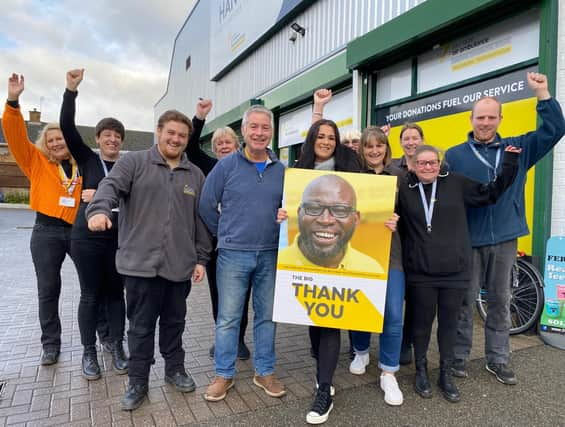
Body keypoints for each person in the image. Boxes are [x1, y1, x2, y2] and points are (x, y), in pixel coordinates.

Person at [86, 109, 212, 411]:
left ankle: (175, 370)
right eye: (171, 133)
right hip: (140, 265)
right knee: (140, 327)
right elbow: (109, 187)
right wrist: (99, 210)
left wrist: (201, 258)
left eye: (182, 136)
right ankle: (138, 381)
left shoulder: (194, 174)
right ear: (159, 132)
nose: (176, 139)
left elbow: (202, 221)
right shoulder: (134, 163)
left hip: (179, 265)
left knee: (174, 323)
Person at [446, 72, 565, 385]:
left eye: (490, 117)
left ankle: (498, 359)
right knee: (464, 300)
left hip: (505, 238)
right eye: (480, 117)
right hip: (469, 240)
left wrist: (543, 94)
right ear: (471, 120)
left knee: (501, 300)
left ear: (500, 119)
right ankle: (458, 355)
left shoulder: (518, 148)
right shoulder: (454, 155)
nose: (485, 123)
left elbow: (555, 129)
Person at [397, 144, 521, 403]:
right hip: (421, 271)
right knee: (421, 324)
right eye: (423, 163)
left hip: (454, 271)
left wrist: (509, 163)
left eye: (433, 162)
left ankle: (445, 373)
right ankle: (421, 371)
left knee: (449, 325)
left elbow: (491, 194)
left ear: (440, 163)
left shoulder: (457, 183)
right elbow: (385, 216)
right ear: (413, 165)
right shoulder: (405, 191)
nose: (428, 167)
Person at [199, 105, 286, 403]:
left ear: (271, 132)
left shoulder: (282, 170)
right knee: (228, 318)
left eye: (265, 128)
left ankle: (264, 371)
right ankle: (223, 374)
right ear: (244, 132)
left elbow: (292, 208)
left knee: (267, 317)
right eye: (254, 127)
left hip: (271, 254)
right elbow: (206, 205)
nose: (259, 133)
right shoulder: (226, 166)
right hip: (233, 255)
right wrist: (224, 233)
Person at [1, 73, 82, 366]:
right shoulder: (35, 161)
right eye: (51, 139)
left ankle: (105, 336)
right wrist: (13, 101)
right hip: (46, 231)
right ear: (45, 144)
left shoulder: (81, 165)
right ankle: (50, 344)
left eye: (61, 137)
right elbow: (13, 136)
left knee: (92, 284)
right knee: (48, 289)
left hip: (78, 231)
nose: (57, 142)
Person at [59, 69, 128, 380]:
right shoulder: (87, 158)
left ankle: (116, 345)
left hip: (118, 239)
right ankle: (89, 351)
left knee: (116, 294)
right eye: (107, 135)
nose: (112, 140)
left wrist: (98, 192)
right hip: (86, 237)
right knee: (90, 294)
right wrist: (71, 90)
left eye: (117, 136)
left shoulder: (130, 165)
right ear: (98, 139)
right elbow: (67, 128)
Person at [184, 100, 252, 360]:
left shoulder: (246, 166)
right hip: (214, 244)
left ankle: (239, 340)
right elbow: (190, 144)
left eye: (228, 142)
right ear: (214, 149)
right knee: (218, 294)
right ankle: (223, 338)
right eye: (219, 144)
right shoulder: (208, 166)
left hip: (241, 242)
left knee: (241, 295)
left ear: (237, 145)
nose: (224, 146)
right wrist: (199, 116)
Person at [348, 126, 405, 406]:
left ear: (386, 147)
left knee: (393, 312)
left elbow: (414, 214)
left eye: (379, 145)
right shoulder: (353, 178)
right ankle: (360, 350)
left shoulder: (400, 176)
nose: (374, 151)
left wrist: (399, 221)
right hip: (359, 252)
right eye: (368, 146)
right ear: (362, 149)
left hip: (392, 253)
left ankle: (388, 371)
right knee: (360, 308)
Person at [278, 174, 384, 273]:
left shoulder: (371, 270)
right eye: (314, 208)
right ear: (299, 213)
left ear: (356, 219)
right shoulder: (277, 264)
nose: (325, 220)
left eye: (340, 210)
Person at [311, 88, 361, 153]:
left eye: (355, 141)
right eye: (346, 142)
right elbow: (314, 139)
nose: (350, 145)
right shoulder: (336, 161)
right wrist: (318, 105)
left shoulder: (369, 161)